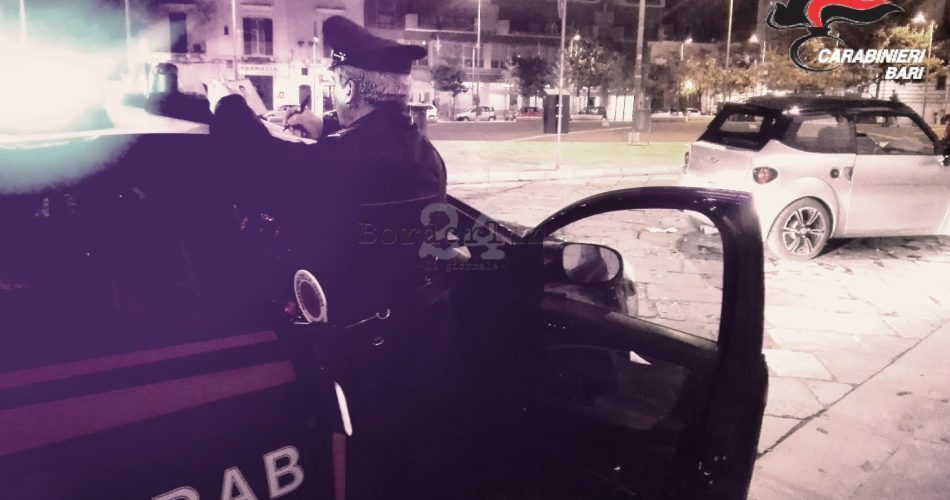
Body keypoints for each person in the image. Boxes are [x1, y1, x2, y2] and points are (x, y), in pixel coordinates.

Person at [209, 15, 451, 499]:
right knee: (410, 463)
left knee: (365, 471)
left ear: (347, 87)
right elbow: (367, 164)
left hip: (364, 359)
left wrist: (227, 103)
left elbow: (254, 164)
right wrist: (326, 129)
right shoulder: (425, 153)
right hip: (421, 340)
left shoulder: (337, 162)